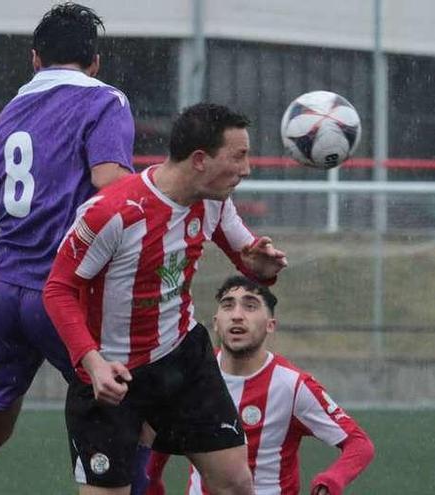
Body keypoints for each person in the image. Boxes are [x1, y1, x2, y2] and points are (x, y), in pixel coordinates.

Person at [0, 3, 136, 493]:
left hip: (3, 288)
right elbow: (111, 186)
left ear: (35, 59)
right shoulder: (105, 101)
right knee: (133, 411)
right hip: (61, 292)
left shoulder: (10, 110)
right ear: (94, 61)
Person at [43, 103, 289, 495]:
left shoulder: (214, 199)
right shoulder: (112, 212)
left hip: (181, 360)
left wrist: (261, 267)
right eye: (238, 157)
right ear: (199, 160)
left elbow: (247, 256)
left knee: (236, 483)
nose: (246, 169)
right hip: (112, 373)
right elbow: (57, 289)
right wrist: (92, 363)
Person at [144, 276, 375, 495]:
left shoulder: (292, 385)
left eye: (250, 306)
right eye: (227, 305)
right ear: (216, 323)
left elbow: (359, 444)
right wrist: (151, 482)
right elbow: (162, 433)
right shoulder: (192, 375)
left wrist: (331, 480)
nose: (237, 315)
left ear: (270, 325)